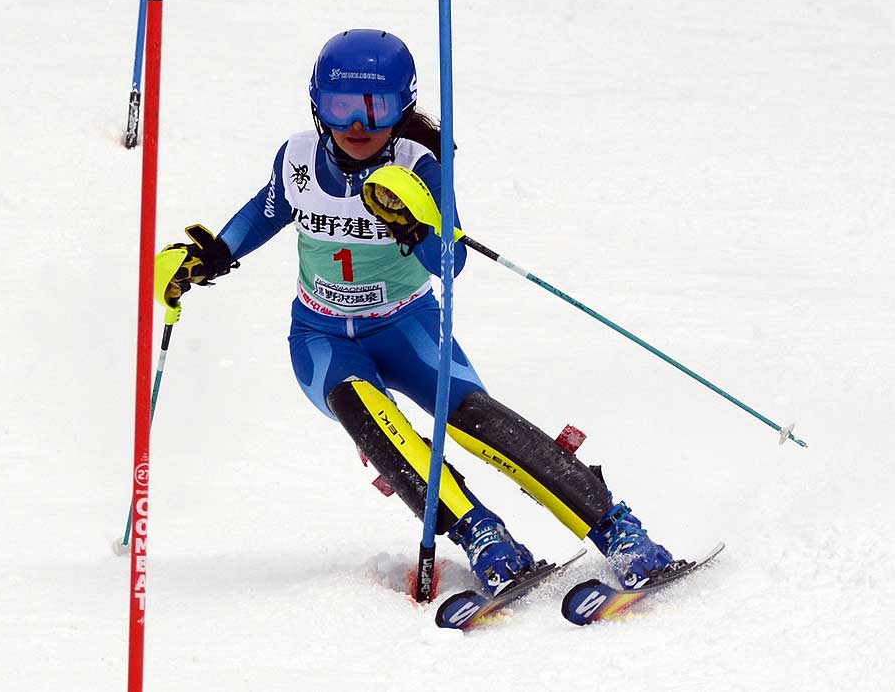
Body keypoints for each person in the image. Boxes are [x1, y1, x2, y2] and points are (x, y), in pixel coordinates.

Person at [165, 29, 677, 596]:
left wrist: (416, 226)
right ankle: (481, 534)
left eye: (375, 108)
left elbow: (450, 262)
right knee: (365, 412)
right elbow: (264, 212)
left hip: (406, 326)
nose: (357, 126)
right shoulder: (299, 160)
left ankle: (618, 529)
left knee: (473, 419)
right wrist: (209, 256)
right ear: (317, 106)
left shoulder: (422, 164)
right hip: (321, 336)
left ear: (402, 107)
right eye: (340, 107)